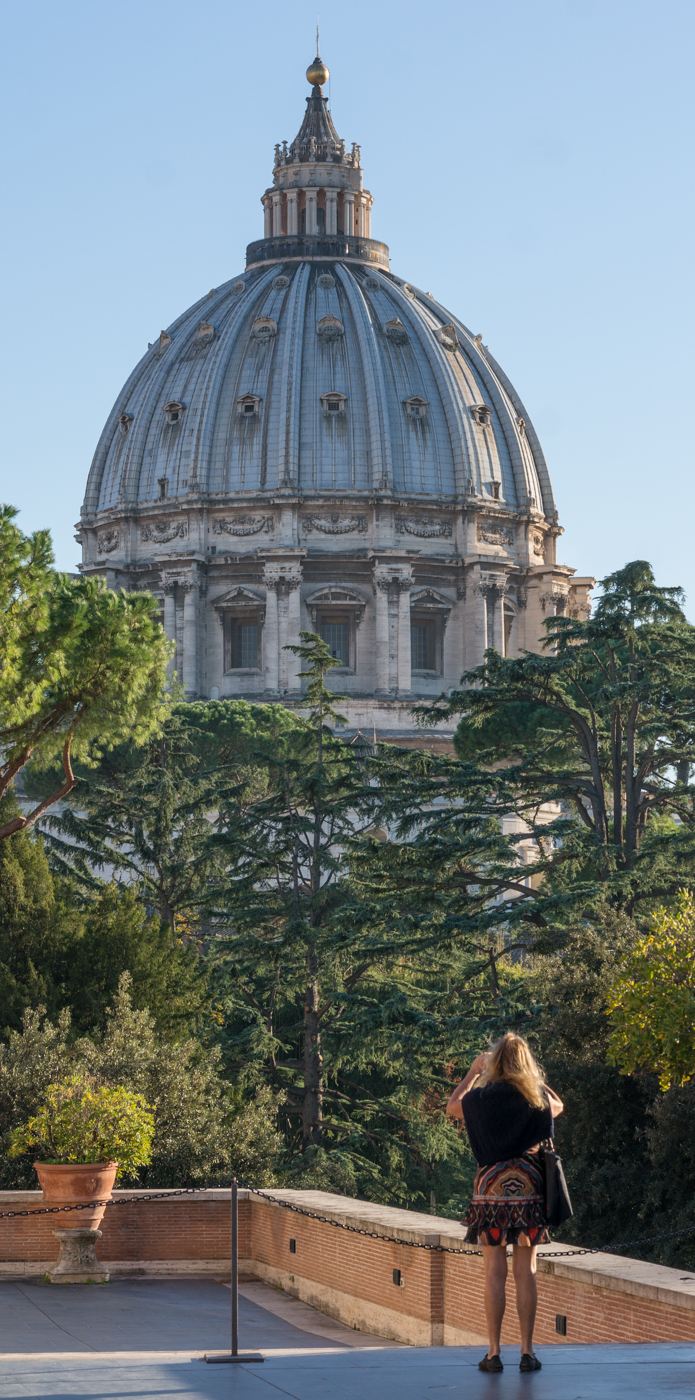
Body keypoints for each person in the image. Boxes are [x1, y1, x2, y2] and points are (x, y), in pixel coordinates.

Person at [447, 1032, 564, 1374]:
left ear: (493, 1062)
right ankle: (527, 1352)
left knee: (493, 1273)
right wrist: (536, 1082)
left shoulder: (481, 1098)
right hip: (529, 1186)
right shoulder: (534, 1098)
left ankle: (494, 1352)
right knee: (525, 1272)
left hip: (491, 1190)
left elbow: (453, 1106)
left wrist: (472, 1073)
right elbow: (559, 1106)